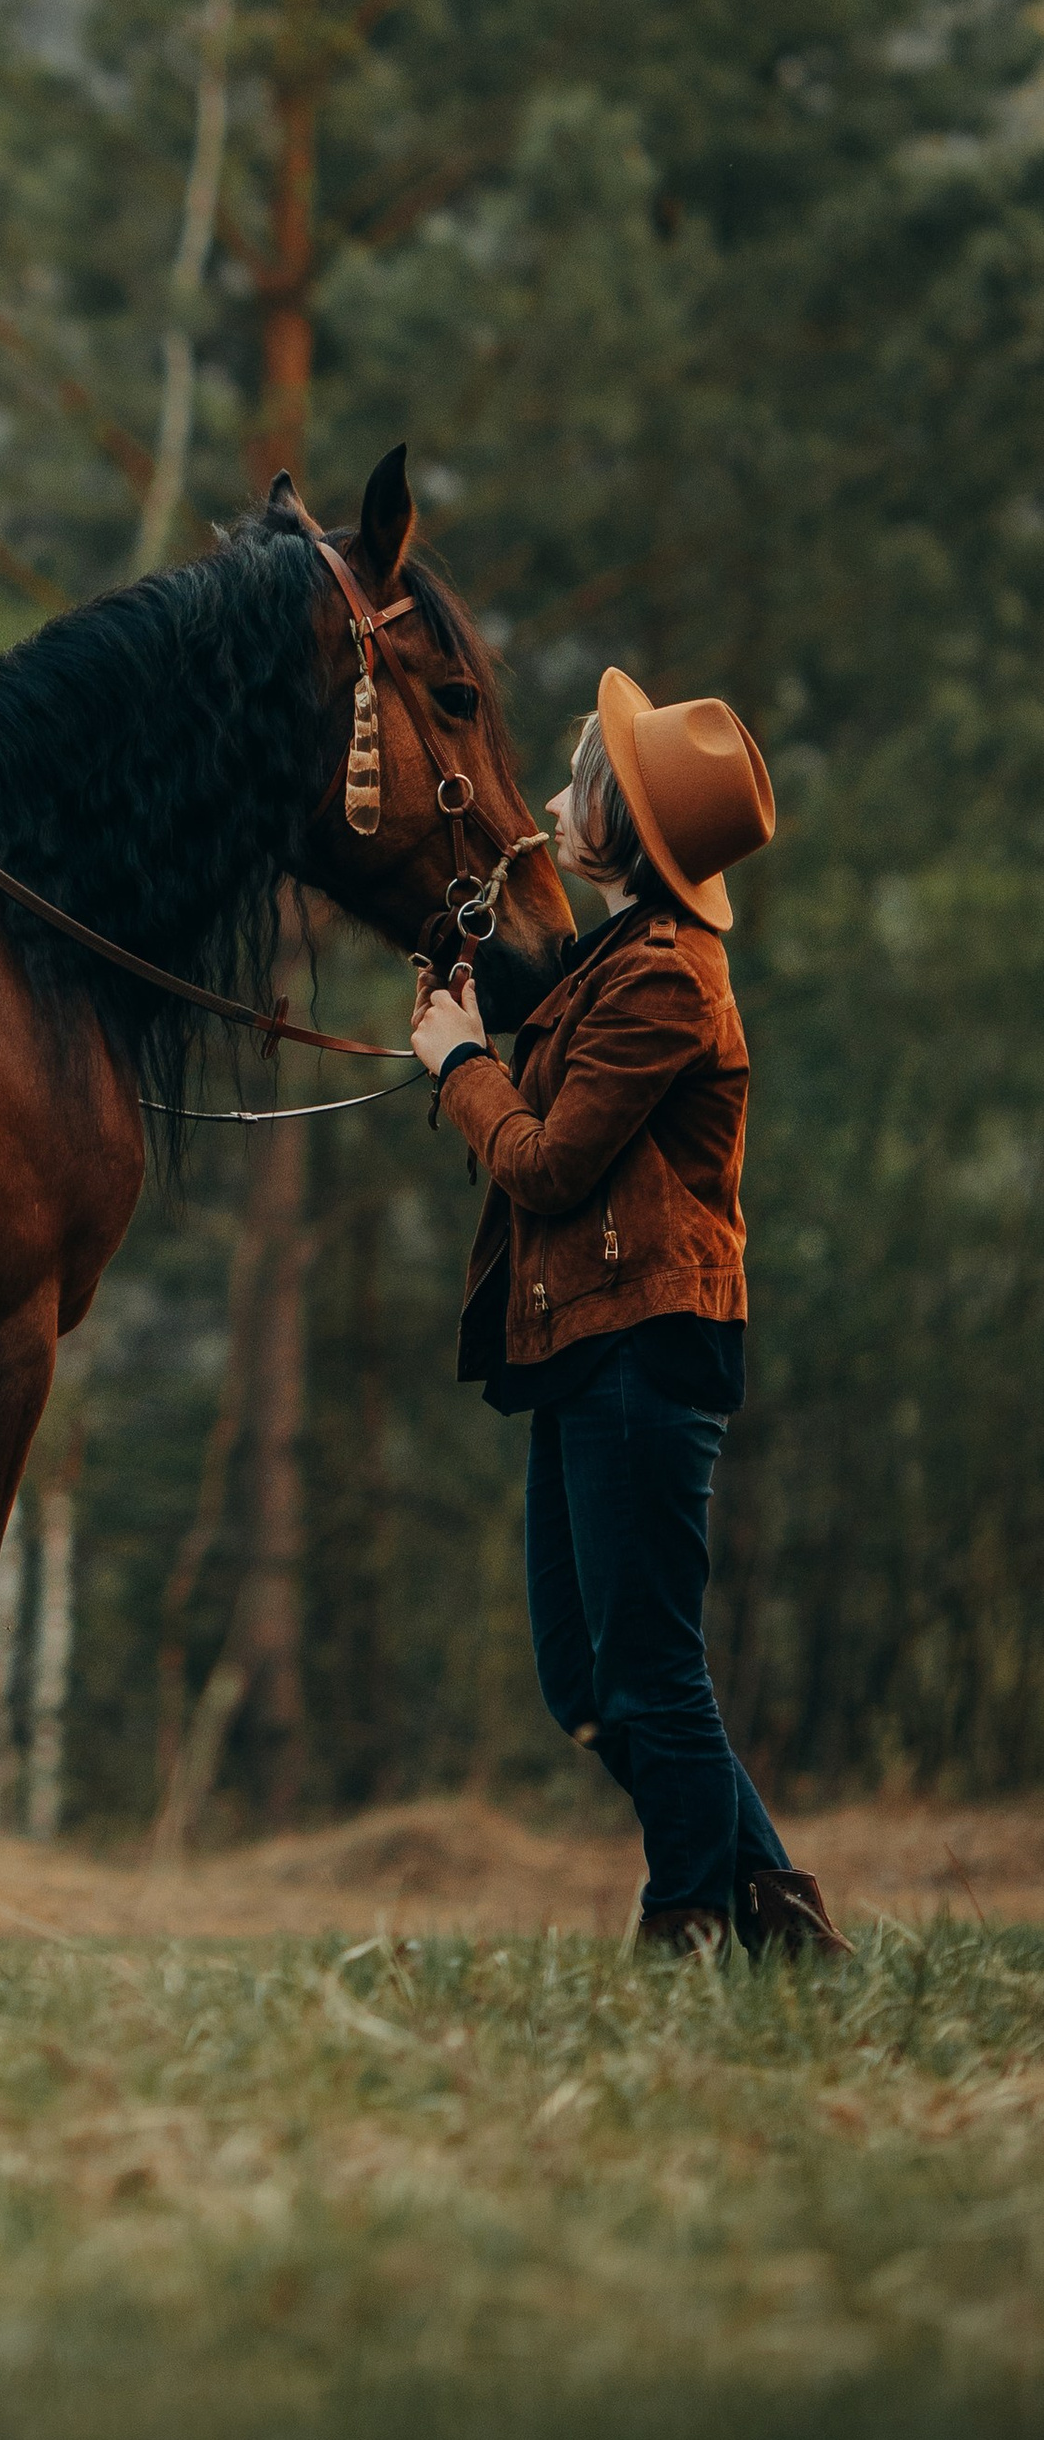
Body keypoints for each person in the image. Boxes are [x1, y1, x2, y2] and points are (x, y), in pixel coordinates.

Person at [409, 670, 849, 1962]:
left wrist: (460, 1067)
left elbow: (546, 1163)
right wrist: (468, 1015)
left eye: (575, 784)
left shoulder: (669, 981)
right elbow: (536, 1077)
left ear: (619, 827)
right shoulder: (614, 967)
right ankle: (779, 1916)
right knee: (588, 1681)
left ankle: (687, 1924)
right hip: (588, 1346)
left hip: (648, 1349)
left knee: (651, 1673)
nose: (549, 803)